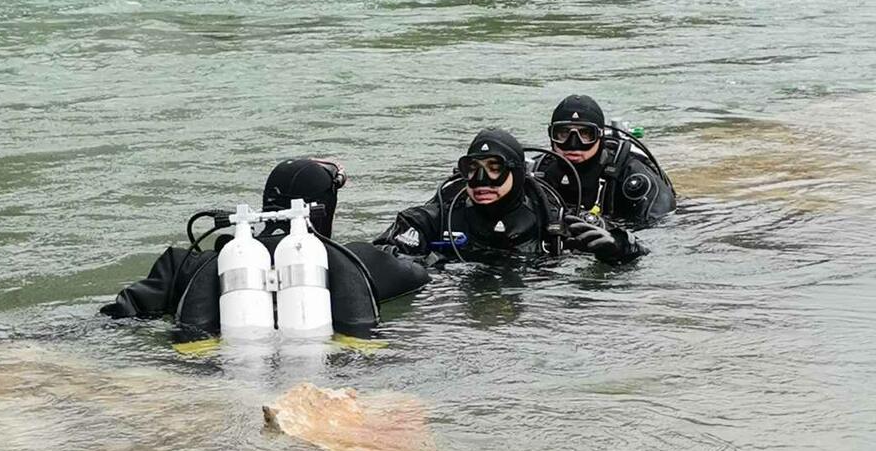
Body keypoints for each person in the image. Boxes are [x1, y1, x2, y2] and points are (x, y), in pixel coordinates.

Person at [100, 157, 427, 338]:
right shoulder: (362, 262)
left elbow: (120, 316)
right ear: (324, 209)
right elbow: (422, 272)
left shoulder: (185, 265)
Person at [374, 128, 645, 265]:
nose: (482, 181)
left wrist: (618, 247)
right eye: (473, 169)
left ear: (517, 174)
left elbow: (641, 256)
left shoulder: (550, 219)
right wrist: (431, 264)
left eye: (495, 169)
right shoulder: (442, 214)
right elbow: (381, 254)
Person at [531, 94, 676, 227]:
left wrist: (619, 240)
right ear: (551, 135)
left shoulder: (630, 175)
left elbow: (663, 227)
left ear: (600, 136)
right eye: (563, 133)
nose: (573, 143)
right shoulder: (537, 172)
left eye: (586, 134)